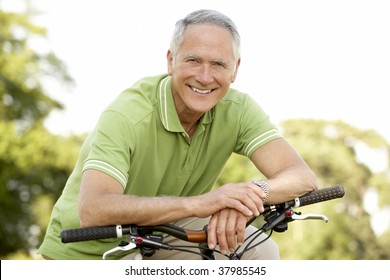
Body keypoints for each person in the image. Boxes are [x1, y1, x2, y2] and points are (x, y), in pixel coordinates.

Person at [38, 9, 318, 260]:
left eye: (219, 64)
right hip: (84, 251)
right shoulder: (128, 115)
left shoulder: (238, 108)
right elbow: (93, 209)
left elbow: (301, 177)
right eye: (194, 60)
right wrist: (202, 203)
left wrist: (249, 196)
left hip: (159, 236)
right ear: (171, 61)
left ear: (235, 69)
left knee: (259, 247)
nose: (205, 77)